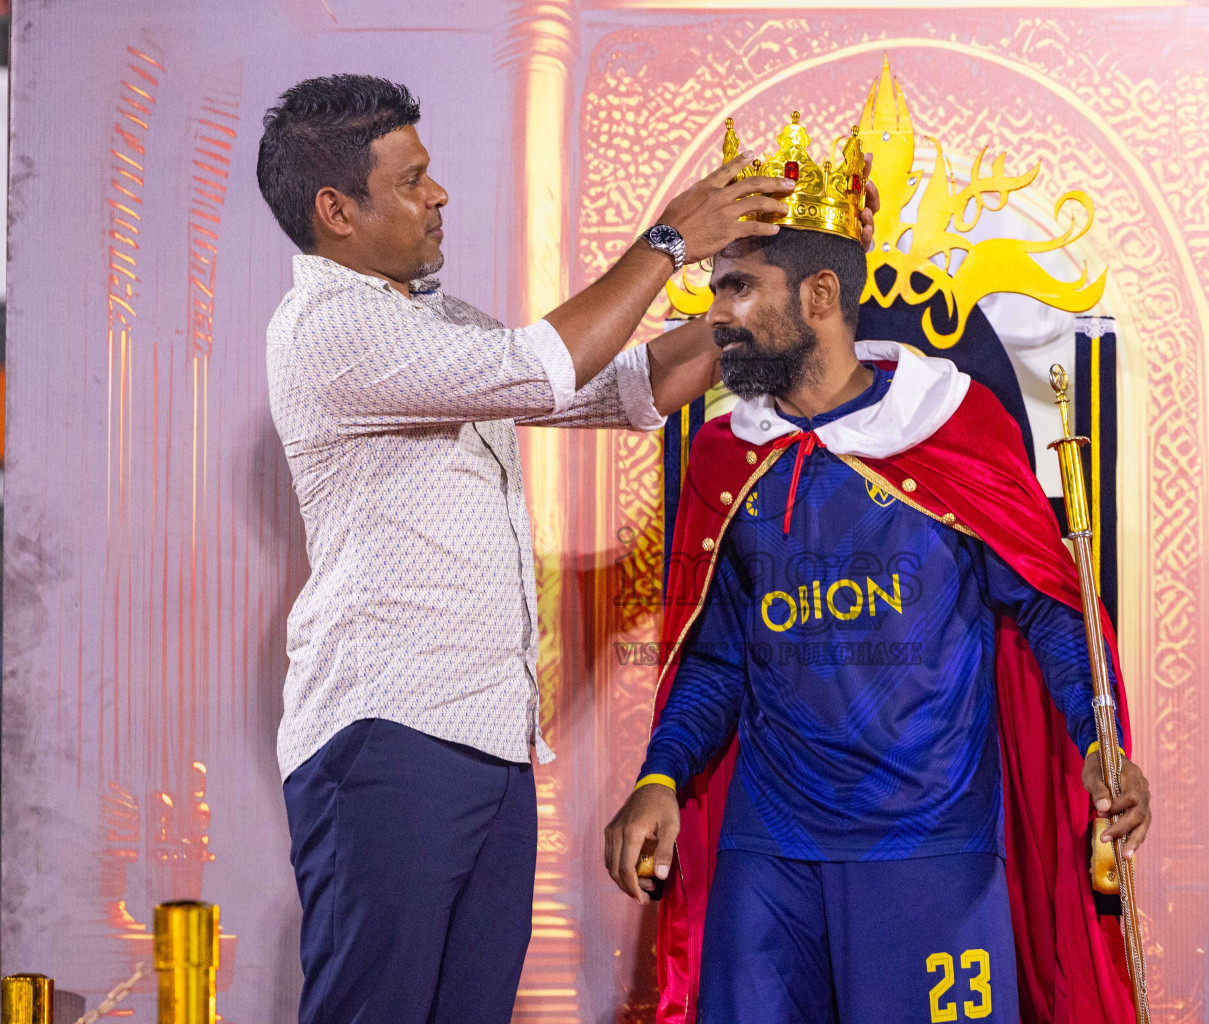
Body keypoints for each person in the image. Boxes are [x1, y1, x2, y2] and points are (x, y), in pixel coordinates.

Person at [256, 74, 875, 1024]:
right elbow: (540, 365)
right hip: (388, 740)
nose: (439, 195)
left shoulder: (435, 318)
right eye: (413, 179)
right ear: (336, 211)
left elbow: (622, 388)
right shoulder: (330, 329)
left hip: (486, 745)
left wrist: (757, 298)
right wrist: (668, 244)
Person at [603, 222, 1151, 1023]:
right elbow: (716, 657)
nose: (716, 313)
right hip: (770, 853)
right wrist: (661, 776)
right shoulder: (729, 455)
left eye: (738, 287)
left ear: (820, 296)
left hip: (930, 849)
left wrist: (1100, 741)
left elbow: (1047, 605)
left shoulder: (954, 427)